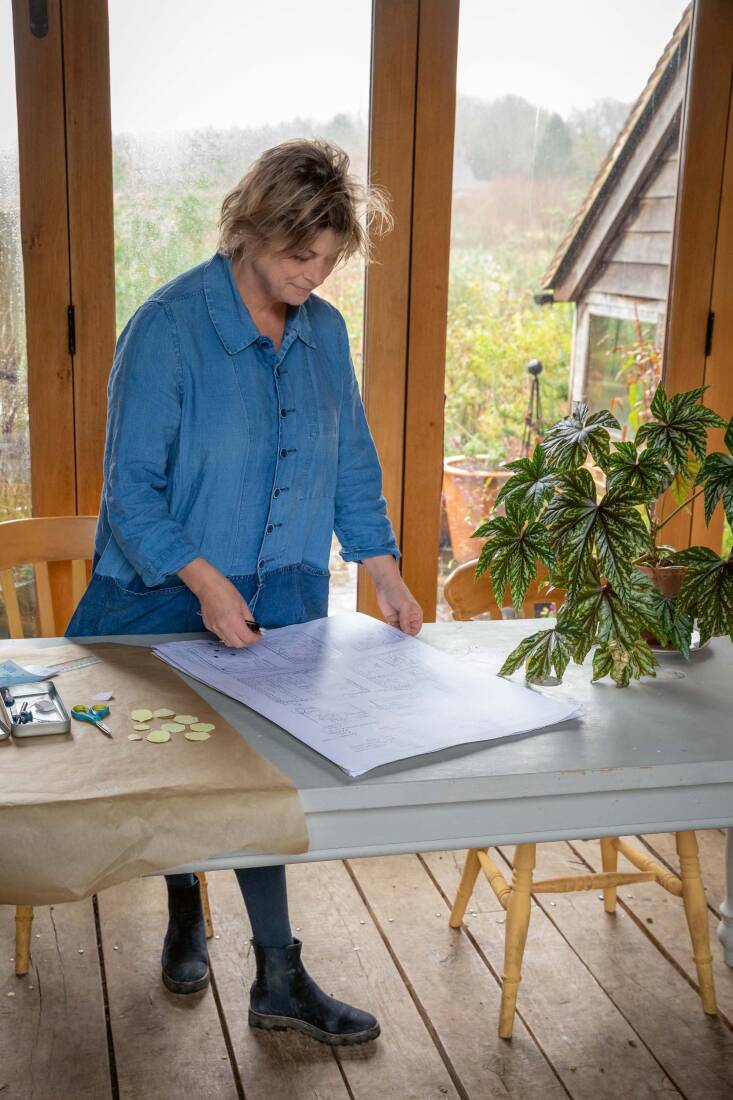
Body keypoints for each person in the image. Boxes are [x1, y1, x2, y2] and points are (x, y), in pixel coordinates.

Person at [67, 139, 423, 1046]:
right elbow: (130, 490)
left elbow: (348, 455)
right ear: (250, 232)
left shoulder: (324, 331)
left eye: (329, 261)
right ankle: (186, 901)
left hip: (286, 593)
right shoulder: (168, 327)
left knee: (268, 781)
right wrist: (204, 581)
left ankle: (279, 973)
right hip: (163, 594)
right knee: (179, 772)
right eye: (299, 257)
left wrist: (377, 560)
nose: (313, 278)